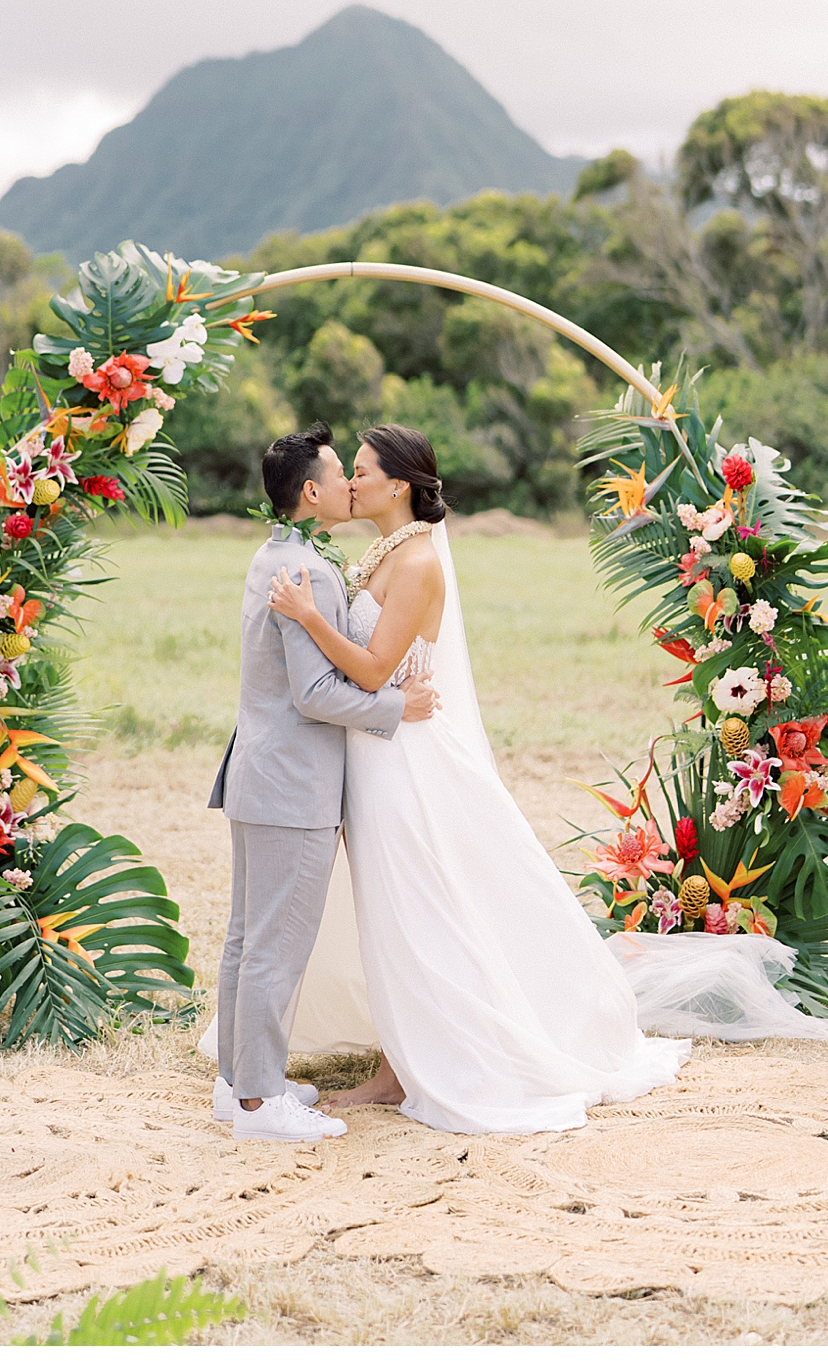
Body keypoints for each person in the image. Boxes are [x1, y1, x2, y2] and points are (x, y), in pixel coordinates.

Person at [268, 422, 689, 1134]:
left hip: (402, 760)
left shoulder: (419, 564)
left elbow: (372, 670)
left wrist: (309, 616)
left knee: (413, 905)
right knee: (393, 906)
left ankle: (409, 1067)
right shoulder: (385, 551)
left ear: (398, 484)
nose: (352, 482)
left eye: (364, 471)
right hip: (375, 750)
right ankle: (397, 1063)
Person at [208, 421, 439, 1144]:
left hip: (260, 775)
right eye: (340, 474)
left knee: (248, 939)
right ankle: (256, 1108)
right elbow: (315, 693)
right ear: (311, 492)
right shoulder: (307, 571)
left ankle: (240, 1085)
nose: (349, 484)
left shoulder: (277, 552)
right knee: (273, 946)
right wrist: (398, 707)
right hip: (292, 786)